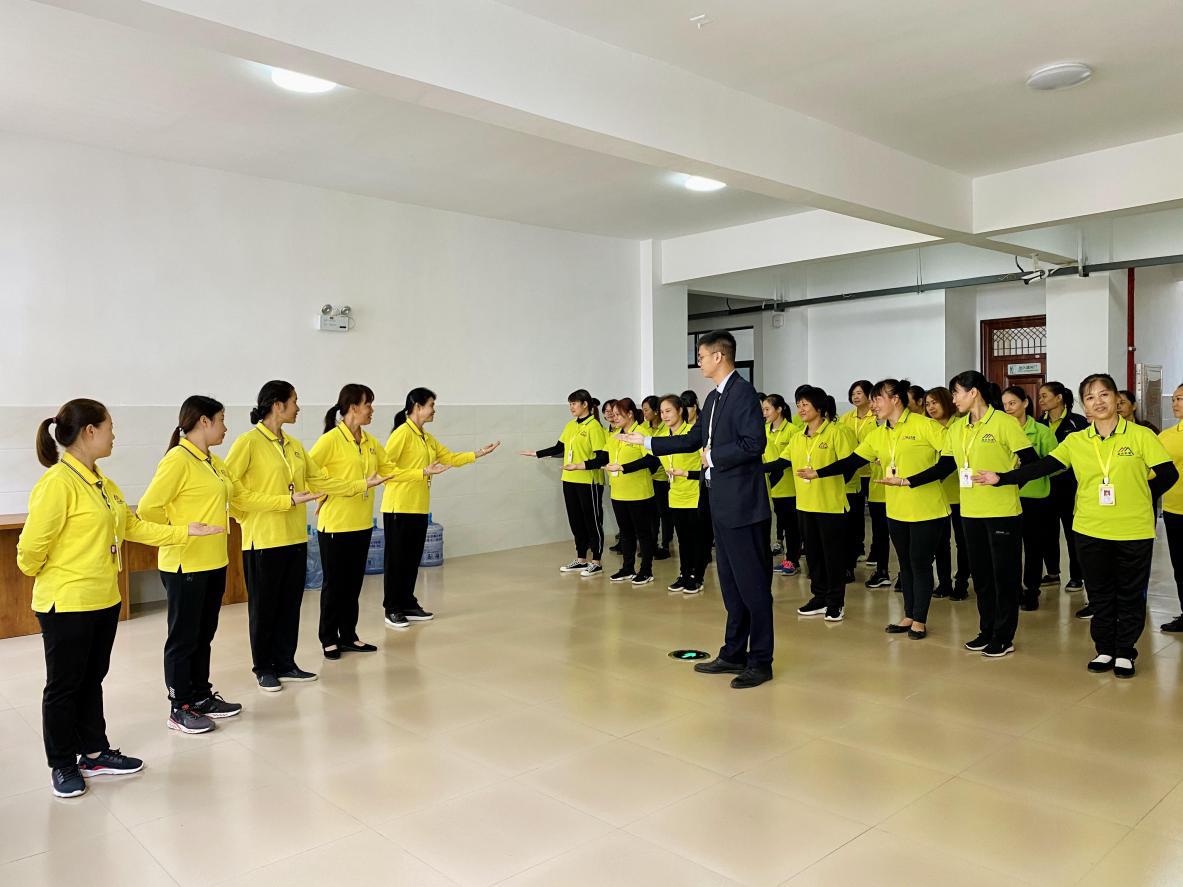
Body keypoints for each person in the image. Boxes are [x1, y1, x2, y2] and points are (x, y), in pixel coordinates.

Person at [18, 399, 222, 797]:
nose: (115, 434)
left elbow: (134, 527)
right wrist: (64, 571)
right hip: (67, 602)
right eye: (110, 427)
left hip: (103, 598)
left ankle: (94, 752)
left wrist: (184, 532)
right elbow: (29, 555)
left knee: (91, 679)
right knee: (64, 686)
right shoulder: (57, 484)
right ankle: (62, 764)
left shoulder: (102, 483)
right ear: (89, 431)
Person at [975, 373, 1178, 678]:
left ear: (1116, 399)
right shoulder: (1076, 440)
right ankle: (1105, 648)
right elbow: (1043, 466)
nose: (1098, 402)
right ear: (1084, 404)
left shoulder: (1141, 436)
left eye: (1104, 395)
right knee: (1099, 592)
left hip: (1133, 529)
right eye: (1090, 397)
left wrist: (1141, 495)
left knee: (1130, 593)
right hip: (1089, 528)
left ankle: (1125, 651)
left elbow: (1168, 474)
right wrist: (1003, 478)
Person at [139, 395, 306, 734]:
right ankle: (179, 706)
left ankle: (201, 696)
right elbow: (147, 509)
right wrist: (180, 531)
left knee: (204, 634)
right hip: (185, 564)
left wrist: (287, 500)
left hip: (214, 561)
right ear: (204, 421)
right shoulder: (178, 459)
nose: (225, 428)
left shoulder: (212, 462)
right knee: (184, 638)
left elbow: (241, 497)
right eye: (221, 420)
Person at [620, 330, 773, 688]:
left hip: (743, 506)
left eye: (701, 356)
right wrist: (646, 441)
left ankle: (760, 661)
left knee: (752, 587)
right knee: (731, 586)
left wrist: (713, 457)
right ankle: (733, 652)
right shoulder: (715, 397)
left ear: (719, 356)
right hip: (720, 503)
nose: (699, 362)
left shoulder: (743, 393)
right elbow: (692, 438)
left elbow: (755, 443)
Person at [226, 380, 385, 692]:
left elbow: (320, 479)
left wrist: (360, 485)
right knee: (265, 608)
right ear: (277, 405)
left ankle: (286, 662)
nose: (298, 408)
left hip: (295, 538)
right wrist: (278, 503)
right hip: (264, 540)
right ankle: (264, 667)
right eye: (294, 401)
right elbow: (230, 490)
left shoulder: (294, 445)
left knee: (290, 606)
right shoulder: (248, 443)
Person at [804, 379, 948, 640]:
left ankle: (920, 619)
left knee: (920, 563)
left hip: (927, 509)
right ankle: (909, 615)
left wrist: (910, 481)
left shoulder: (924, 425)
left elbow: (949, 461)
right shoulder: (879, 434)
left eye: (877, 398)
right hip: (896, 510)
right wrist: (819, 473)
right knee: (905, 564)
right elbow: (852, 461)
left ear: (895, 399)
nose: (873, 405)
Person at [311, 385, 425, 660]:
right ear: (353, 407)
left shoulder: (370, 441)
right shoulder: (330, 440)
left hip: (361, 523)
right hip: (336, 524)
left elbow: (390, 470)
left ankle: (349, 635)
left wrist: (422, 471)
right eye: (368, 405)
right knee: (335, 585)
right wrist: (325, 494)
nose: (372, 410)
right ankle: (329, 638)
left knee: (353, 585)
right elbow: (309, 473)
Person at [381, 388, 500, 627]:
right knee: (397, 560)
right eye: (431, 405)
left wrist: (478, 453)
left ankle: (407, 603)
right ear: (417, 407)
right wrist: (421, 472)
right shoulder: (402, 433)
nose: (434, 410)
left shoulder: (425, 437)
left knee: (412, 559)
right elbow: (385, 470)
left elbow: (449, 457)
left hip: (418, 507)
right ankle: (392, 608)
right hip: (398, 507)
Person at [945, 372, 1037, 657]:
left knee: (1004, 576)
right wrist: (906, 480)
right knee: (982, 576)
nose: (953, 399)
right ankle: (986, 630)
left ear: (973, 392)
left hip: (1002, 512)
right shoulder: (957, 428)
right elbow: (945, 466)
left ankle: (1004, 636)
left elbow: (1032, 463)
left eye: (957, 392)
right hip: (970, 512)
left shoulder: (1004, 423)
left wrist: (1005, 480)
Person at [521, 389, 608, 578]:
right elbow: (559, 448)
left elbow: (602, 457)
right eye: (570, 404)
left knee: (592, 521)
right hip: (569, 479)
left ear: (585, 404)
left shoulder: (594, 427)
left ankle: (596, 561)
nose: (571, 407)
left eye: (574, 403)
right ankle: (581, 559)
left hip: (589, 481)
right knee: (575, 520)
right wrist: (537, 453)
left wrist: (580, 466)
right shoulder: (570, 425)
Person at [788, 387, 856, 621]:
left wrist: (828, 481)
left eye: (805, 404)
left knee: (833, 557)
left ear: (819, 407)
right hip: (805, 505)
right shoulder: (797, 437)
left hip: (830, 506)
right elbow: (782, 460)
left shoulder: (837, 432)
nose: (801, 409)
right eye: (798, 405)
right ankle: (819, 597)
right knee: (813, 555)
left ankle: (836, 602)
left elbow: (849, 465)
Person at [1001, 386, 1059, 611]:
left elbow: (1055, 465)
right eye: (1004, 405)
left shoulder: (1042, 432)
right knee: (1010, 549)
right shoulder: (1000, 430)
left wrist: (1031, 471)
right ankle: (1014, 590)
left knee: (1034, 548)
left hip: (1035, 498)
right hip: (1008, 497)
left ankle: (1032, 590)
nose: (1008, 408)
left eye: (1013, 403)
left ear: (1025, 403)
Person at [1037, 381, 1089, 593]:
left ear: (1059, 398)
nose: (1041, 400)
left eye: (1044, 396)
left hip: (1070, 487)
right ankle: (1052, 573)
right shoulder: (1038, 423)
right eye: (1040, 396)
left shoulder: (1078, 423)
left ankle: (1077, 576)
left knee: (1071, 533)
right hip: (1046, 486)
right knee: (1047, 532)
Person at [604, 397, 661, 585]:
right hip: (618, 492)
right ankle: (627, 568)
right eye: (613, 414)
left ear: (630, 414)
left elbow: (652, 460)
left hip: (639, 493)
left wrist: (624, 468)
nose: (614, 417)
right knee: (625, 532)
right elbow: (604, 457)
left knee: (643, 533)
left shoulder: (642, 432)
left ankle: (646, 570)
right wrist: (580, 465)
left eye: (618, 414)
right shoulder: (615, 435)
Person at [657, 395, 706, 593]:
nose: (664, 415)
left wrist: (686, 473)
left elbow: (705, 469)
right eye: (661, 412)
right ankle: (684, 573)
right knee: (683, 539)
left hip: (695, 494)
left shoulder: (692, 435)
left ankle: (697, 576)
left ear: (680, 411)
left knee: (697, 539)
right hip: (675, 494)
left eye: (668, 411)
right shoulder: (663, 438)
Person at [925, 386, 969, 601]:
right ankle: (944, 582)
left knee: (963, 542)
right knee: (940, 543)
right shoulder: (926, 427)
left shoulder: (960, 425)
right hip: (936, 494)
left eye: (935, 402)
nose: (931, 408)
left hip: (960, 493)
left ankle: (962, 582)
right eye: (927, 404)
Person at [761, 394, 800, 576]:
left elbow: (790, 460)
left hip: (790, 487)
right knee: (782, 524)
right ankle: (787, 559)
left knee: (792, 527)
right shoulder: (764, 431)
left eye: (767, 409)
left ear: (779, 409)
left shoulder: (793, 431)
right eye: (763, 409)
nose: (764, 413)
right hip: (772, 487)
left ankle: (793, 561)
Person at [839, 381, 876, 575]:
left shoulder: (876, 417)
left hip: (872, 471)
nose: (855, 396)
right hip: (853, 472)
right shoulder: (845, 418)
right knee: (855, 511)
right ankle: (858, 547)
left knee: (877, 514)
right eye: (853, 393)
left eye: (859, 393)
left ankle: (876, 551)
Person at [1159, 384, 1183, 632]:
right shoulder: (1166, 437)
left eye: (1180, 399)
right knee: (1180, 566)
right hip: (1175, 510)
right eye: (1174, 399)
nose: (1175, 403)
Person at [643, 395, 674, 559]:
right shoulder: (643, 428)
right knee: (651, 514)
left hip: (662, 478)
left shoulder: (666, 429)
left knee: (664, 513)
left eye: (646, 410)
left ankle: (666, 545)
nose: (644, 413)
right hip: (647, 478)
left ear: (656, 411)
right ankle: (652, 544)